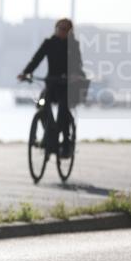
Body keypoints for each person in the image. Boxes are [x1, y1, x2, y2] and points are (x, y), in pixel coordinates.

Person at [17, 18, 84, 158]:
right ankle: (48, 135)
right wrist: (26, 73)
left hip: (65, 85)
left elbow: (77, 64)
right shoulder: (49, 43)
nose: (61, 31)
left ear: (70, 31)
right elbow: (36, 59)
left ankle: (66, 144)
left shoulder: (73, 45)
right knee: (41, 105)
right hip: (51, 83)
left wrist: (75, 75)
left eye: (64, 29)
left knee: (63, 110)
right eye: (59, 28)